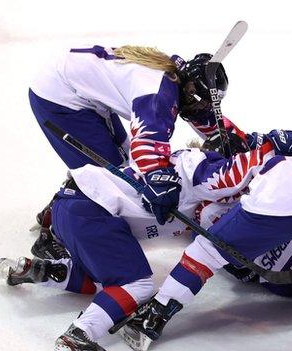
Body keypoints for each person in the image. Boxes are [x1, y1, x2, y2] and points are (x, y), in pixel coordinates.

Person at [117, 132, 292, 351]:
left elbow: (239, 268)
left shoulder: (212, 200)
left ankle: (155, 316)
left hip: (282, 265)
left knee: (205, 253)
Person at [27, 45, 245, 261]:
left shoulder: (178, 77)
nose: (202, 109)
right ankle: (53, 235)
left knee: (121, 166)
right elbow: (147, 141)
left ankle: (57, 208)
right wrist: (158, 178)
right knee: (110, 179)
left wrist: (243, 145)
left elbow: (208, 120)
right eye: (202, 104)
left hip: (78, 91)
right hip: (60, 97)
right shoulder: (159, 95)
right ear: (191, 92)